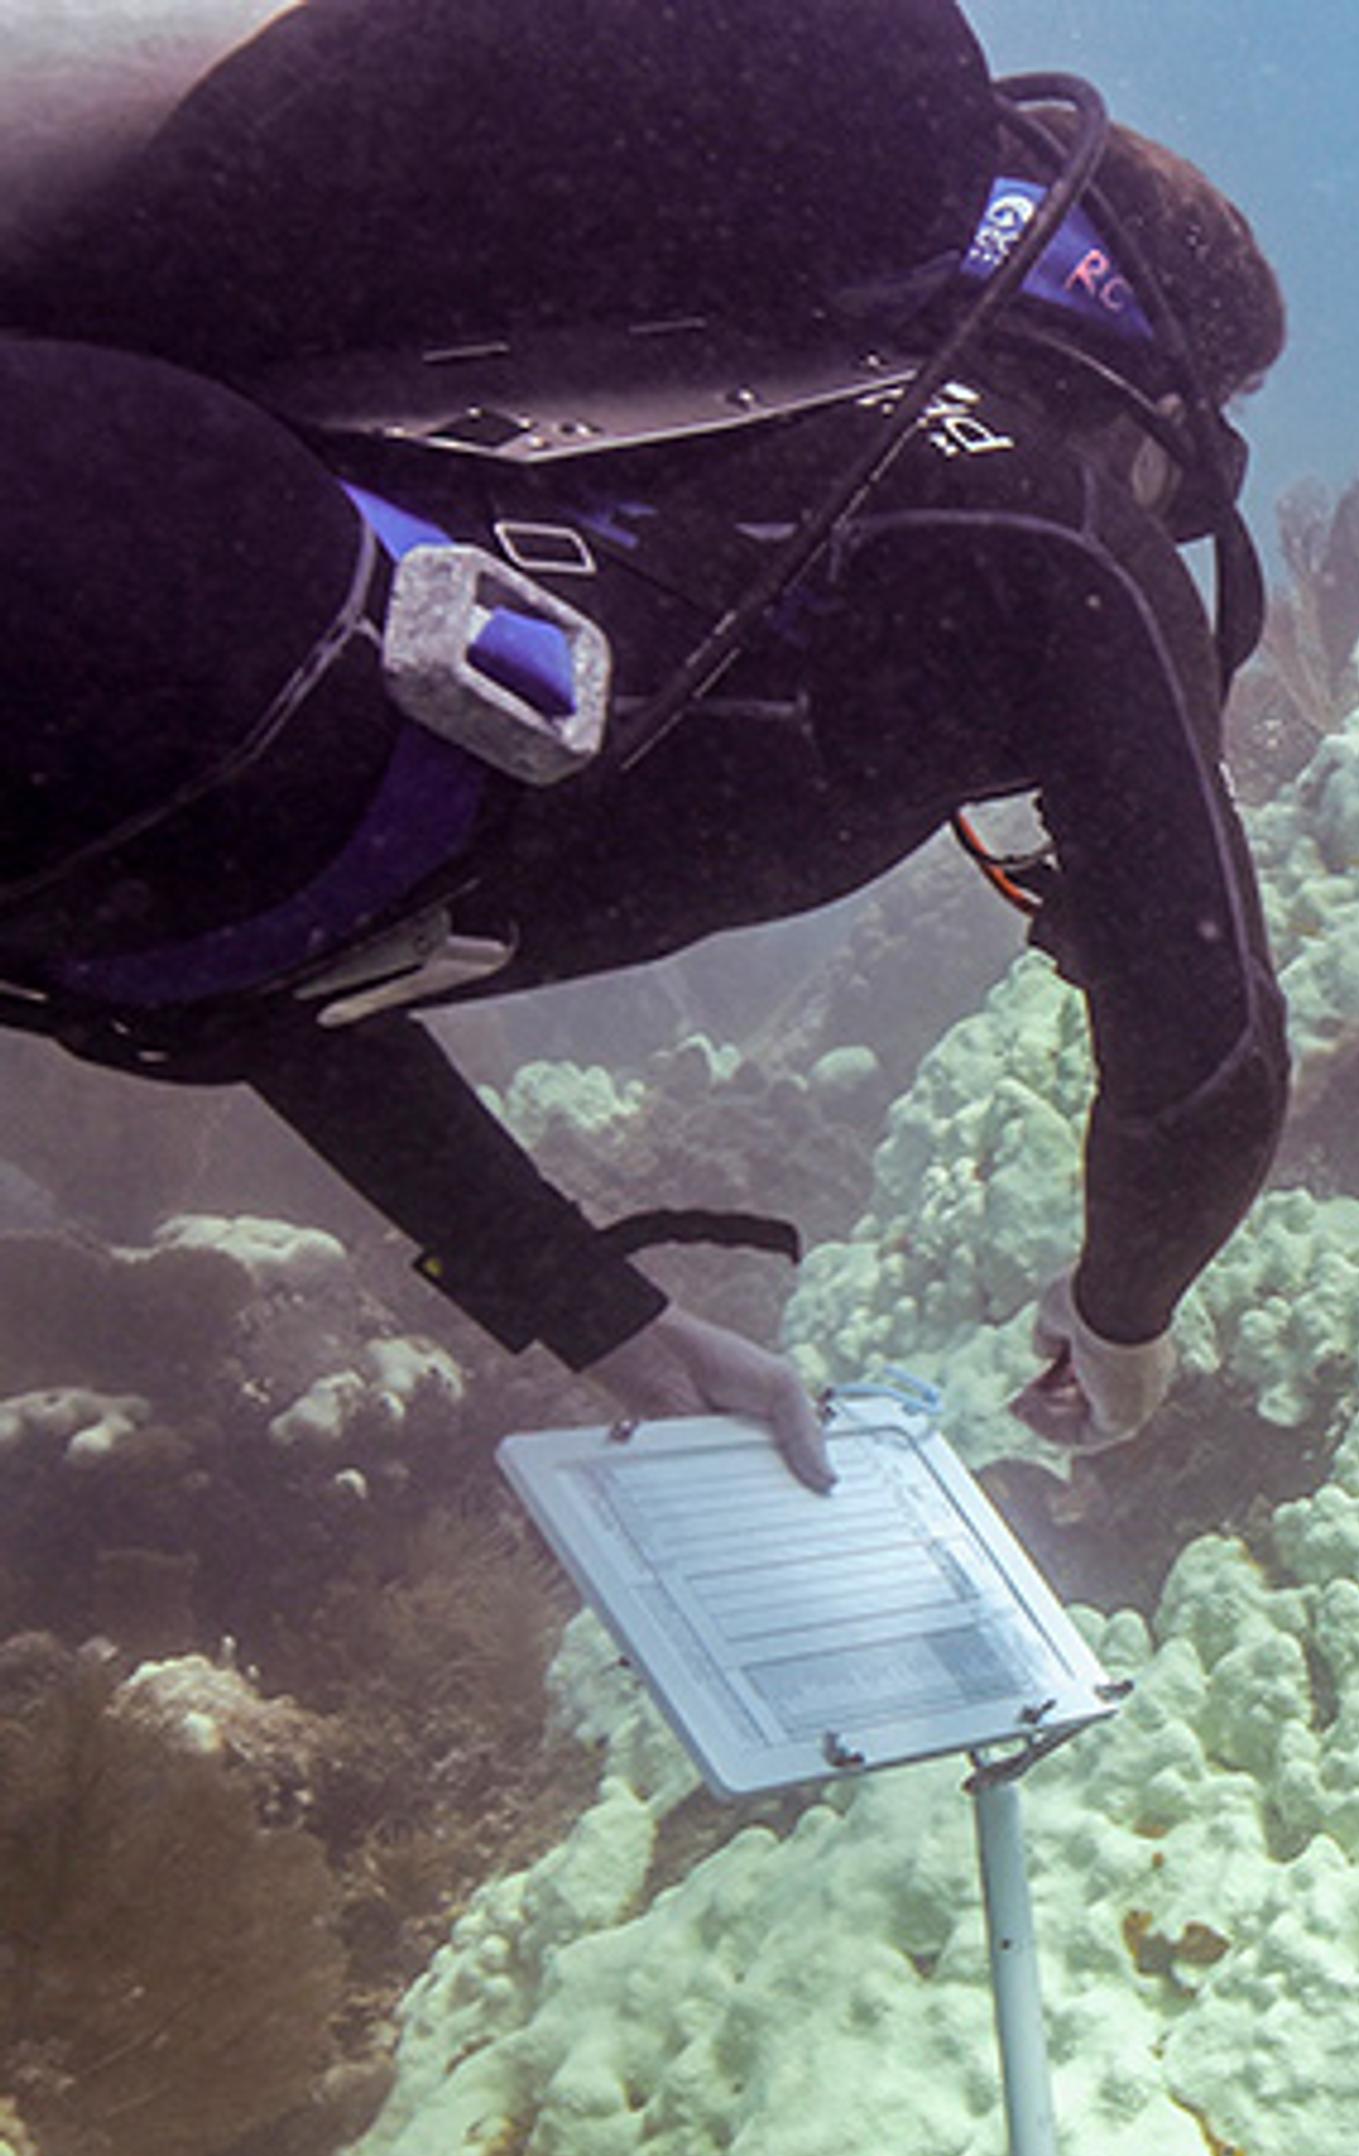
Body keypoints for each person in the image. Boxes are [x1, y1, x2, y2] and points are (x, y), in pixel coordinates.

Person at [0, 0, 1291, 1486]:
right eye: (1201, 440)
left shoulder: (692, 426)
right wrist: (1125, 1314)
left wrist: (590, 1305)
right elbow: (1213, 1062)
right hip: (164, 737)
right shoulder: (1056, 525)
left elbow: (317, 975)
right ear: (1136, 366)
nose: (1171, 497)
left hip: (158, 721)